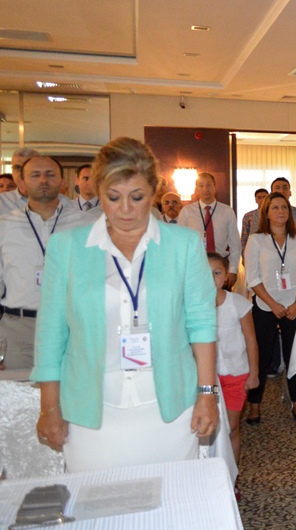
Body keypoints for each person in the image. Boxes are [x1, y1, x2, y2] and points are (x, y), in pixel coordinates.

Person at [33, 137, 219, 472]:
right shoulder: (67, 247)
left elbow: (202, 324)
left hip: (169, 407)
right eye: (113, 197)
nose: (126, 209)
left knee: (171, 498)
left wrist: (207, 393)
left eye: (137, 197)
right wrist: (49, 406)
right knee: (97, 501)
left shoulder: (184, 245)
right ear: (98, 192)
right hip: (92, 411)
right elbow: (51, 332)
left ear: (154, 192)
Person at [0, 156, 92, 371]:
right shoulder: (4, 225)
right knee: (16, 391)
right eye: (35, 175)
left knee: (69, 391)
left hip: (71, 327)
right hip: (18, 330)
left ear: (63, 182)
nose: (43, 180)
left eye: (50, 174)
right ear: (22, 183)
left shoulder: (86, 224)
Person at [243, 191, 296, 422]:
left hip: (293, 307)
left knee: (295, 355)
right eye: (275, 207)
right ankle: (254, 405)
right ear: (266, 213)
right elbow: (253, 278)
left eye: (284, 207)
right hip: (265, 306)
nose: (280, 211)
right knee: (261, 358)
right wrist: (272, 304)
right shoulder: (256, 240)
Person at [208, 253, 259, 466]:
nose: (211, 278)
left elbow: (250, 339)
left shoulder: (237, 303)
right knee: (208, 427)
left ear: (226, 276)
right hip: (207, 377)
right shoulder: (191, 305)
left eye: (217, 273)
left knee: (231, 426)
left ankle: (232, 475)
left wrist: (254, 373)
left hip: (235, 374)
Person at [178, 172, 241, 289]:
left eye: (209, 185)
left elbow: (235, 243)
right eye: (201, 186)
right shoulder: (187, 212)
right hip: (194, 264)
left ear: (215, 187)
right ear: (196, 189)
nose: (205, 189)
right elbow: (180, 243)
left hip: (220, 264)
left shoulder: (227, 211)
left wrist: (233, 270)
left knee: (221, 299)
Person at [240, 188, 269, 257]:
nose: (262, 200)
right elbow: (244, 237)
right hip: (253, 249)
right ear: (256, 200)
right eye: (259, 198)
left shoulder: (274, 215)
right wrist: (244, 254)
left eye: (264, 197)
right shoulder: (248, 216)